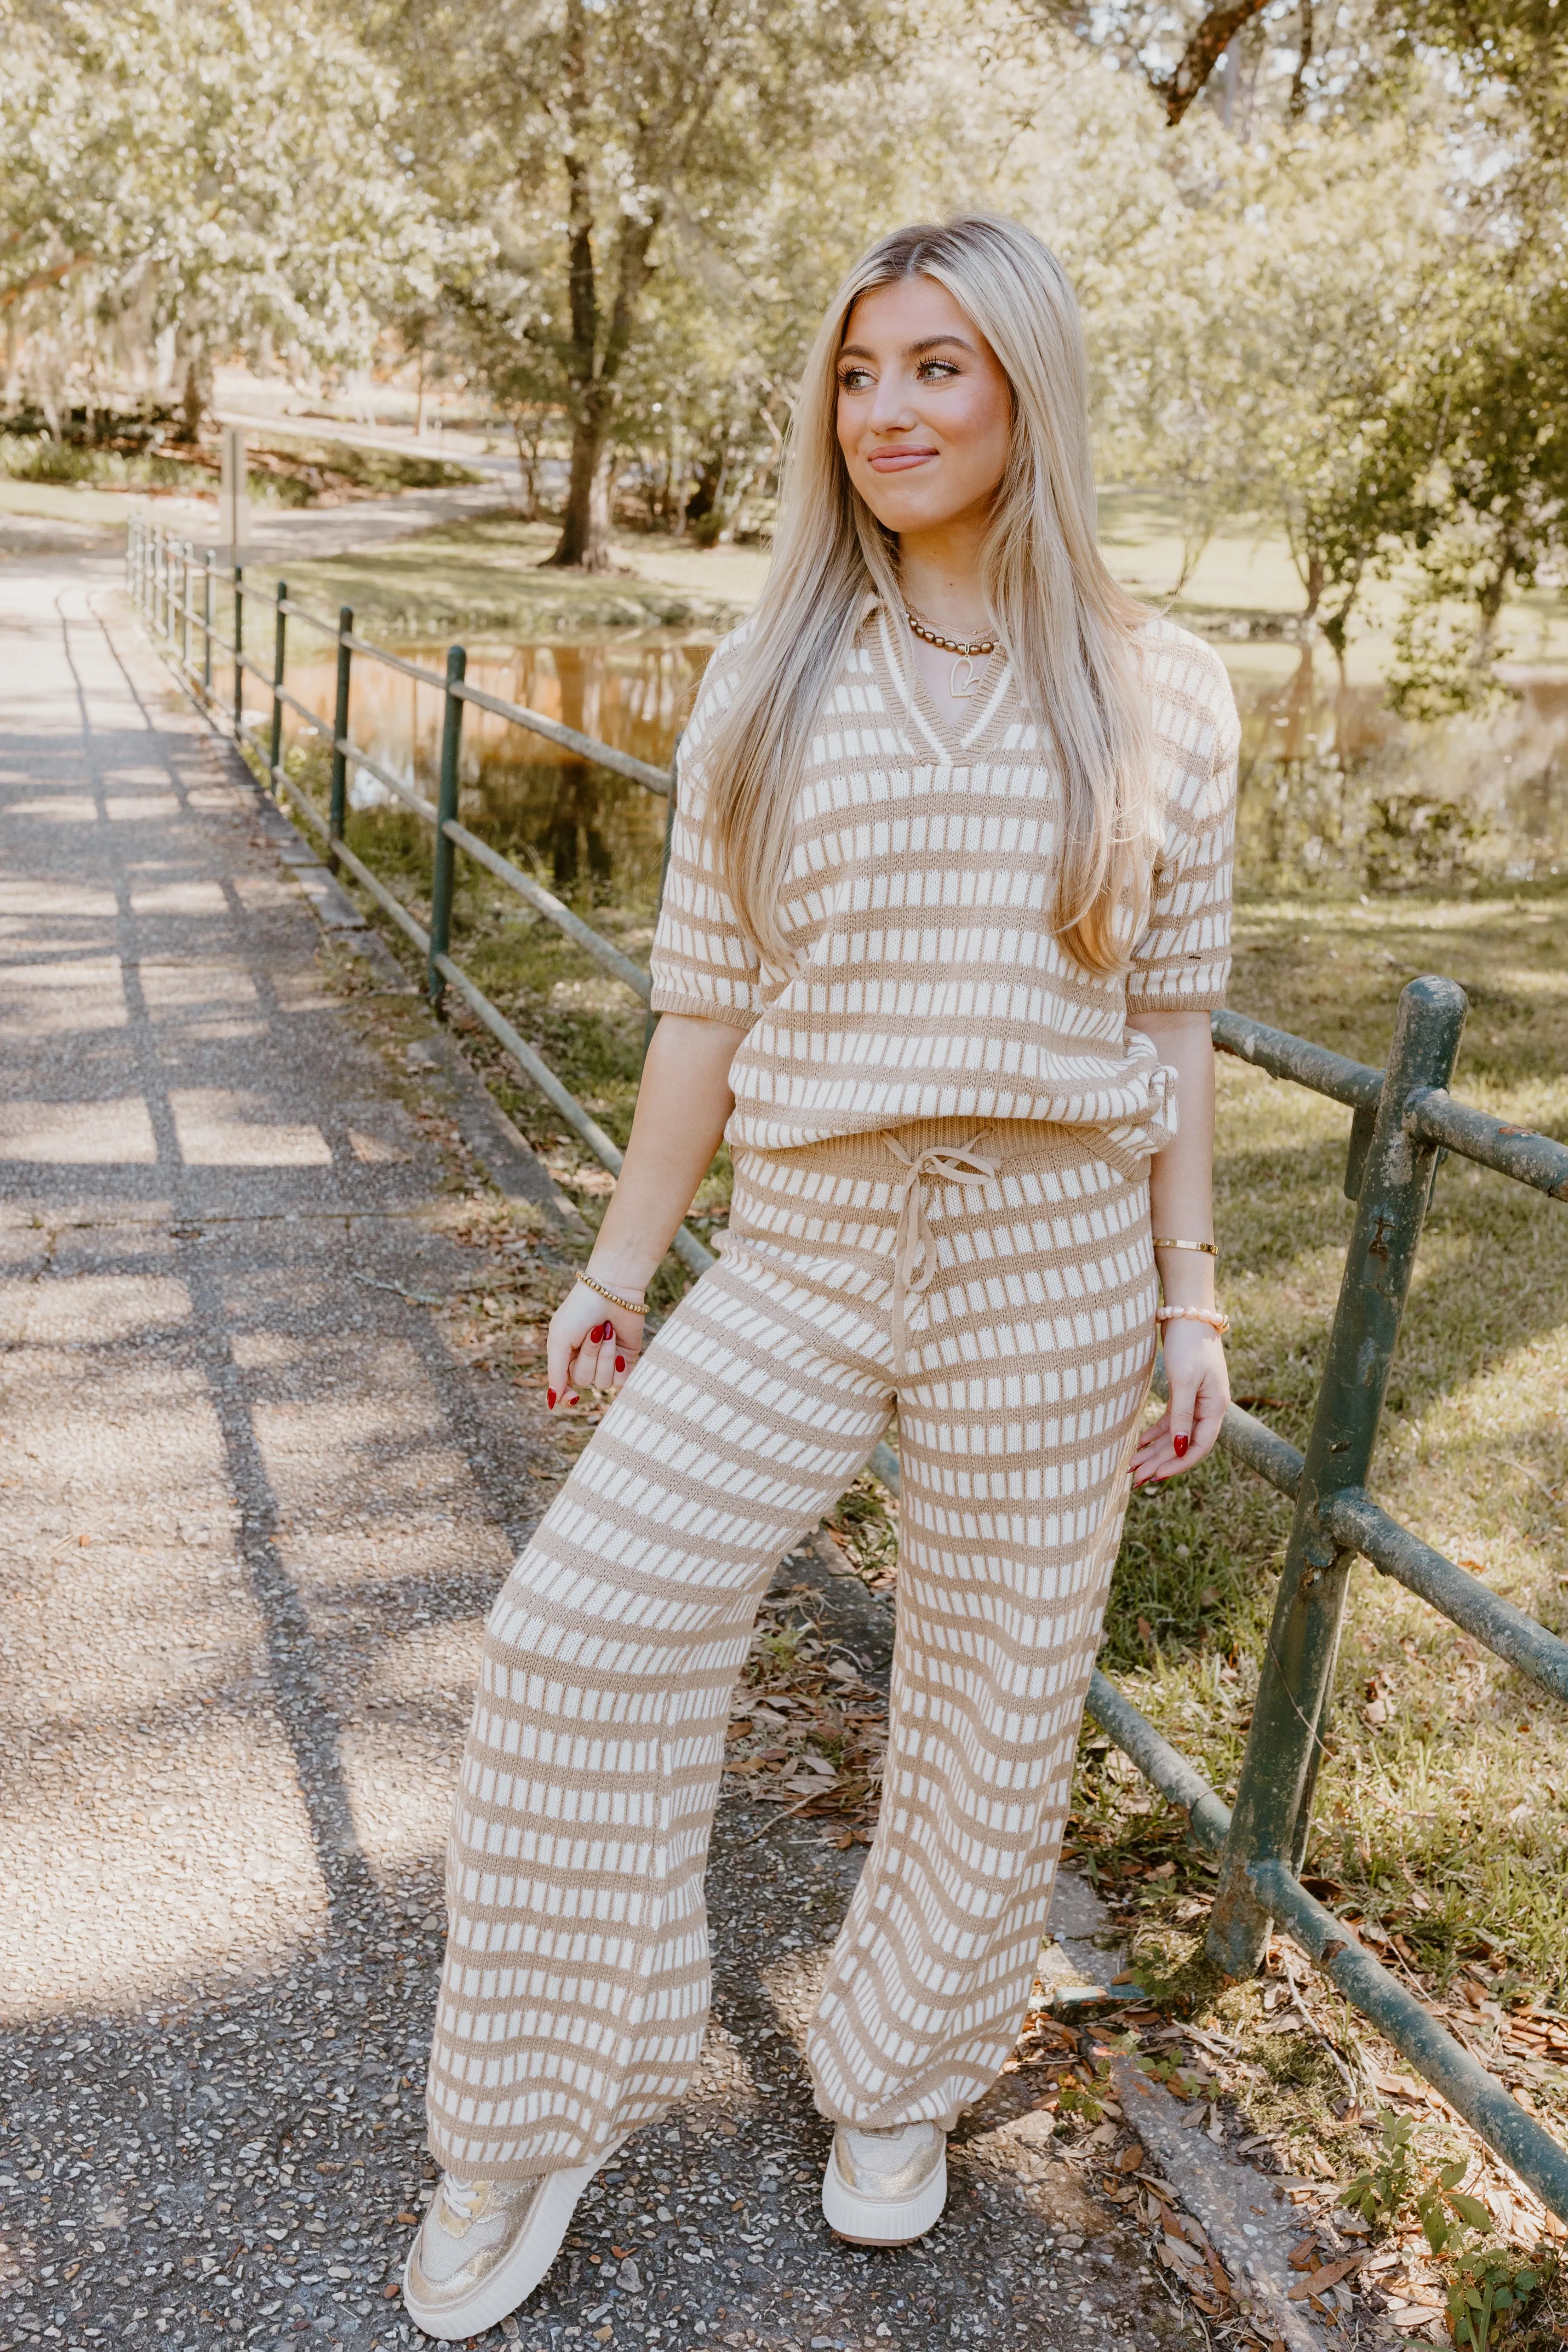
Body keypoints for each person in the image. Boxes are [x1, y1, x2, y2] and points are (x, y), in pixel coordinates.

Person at [399, 212, 1238, 2341]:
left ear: (1025, 387)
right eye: (860, 374)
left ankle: (901, 2077)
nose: (889, 412)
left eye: (938, 367)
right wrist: (620, 1264)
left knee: (995, 1696)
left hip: (1054, 1258)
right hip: (811, 1243)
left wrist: (1190, 1296)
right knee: (577, 1635)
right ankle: (528, 2116)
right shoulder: (774, 675)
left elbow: (1174, 1025)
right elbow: (701, 1000)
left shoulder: (1166, 691)